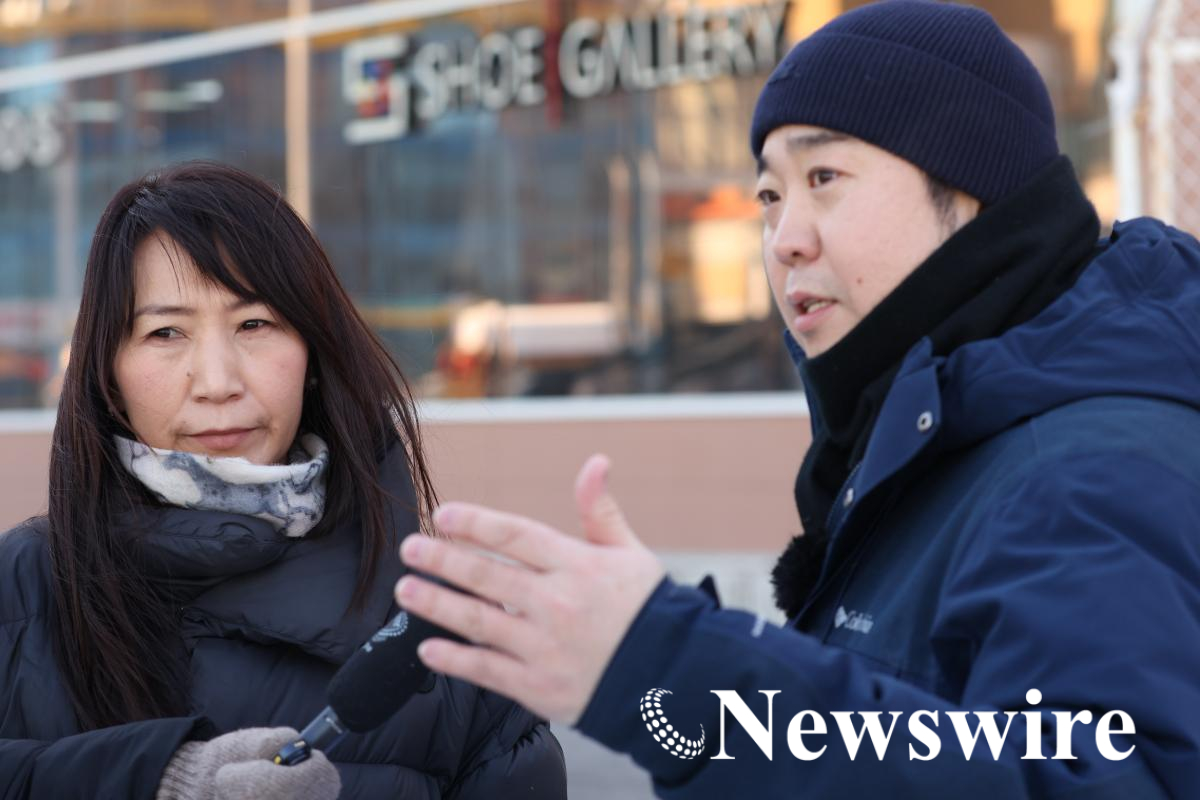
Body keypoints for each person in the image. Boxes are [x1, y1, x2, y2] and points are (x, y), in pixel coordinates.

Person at [389, 1, 1200, 797]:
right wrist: (662, 687)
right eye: (770, 197)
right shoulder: (937, 446)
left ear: (973, 193)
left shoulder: (1085, 475)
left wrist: (672, 668)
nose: (784, 240)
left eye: (824, 178)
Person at [0, 161, 567, 799]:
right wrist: (156, 779)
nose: (217, 382)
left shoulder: (443, 625)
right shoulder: (20, 590)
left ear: (312, 353)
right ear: (109, 373)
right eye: (165, 332)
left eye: (254, 324)